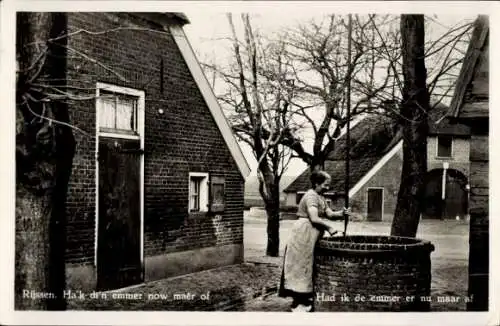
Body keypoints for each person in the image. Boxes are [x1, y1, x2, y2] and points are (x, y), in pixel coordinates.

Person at [278, 170, 361, 312]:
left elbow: (329, 214)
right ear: (316, 183)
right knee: (301, 264)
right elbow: (314, 218)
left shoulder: (320, 196)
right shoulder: (311, 196)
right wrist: (329, 228)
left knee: (308, 264)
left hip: (312, 233)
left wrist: (341, 213)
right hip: (303, 233)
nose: (327, 188)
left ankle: (304, 297)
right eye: (325, 185)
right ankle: (298, 302)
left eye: (328, 185)